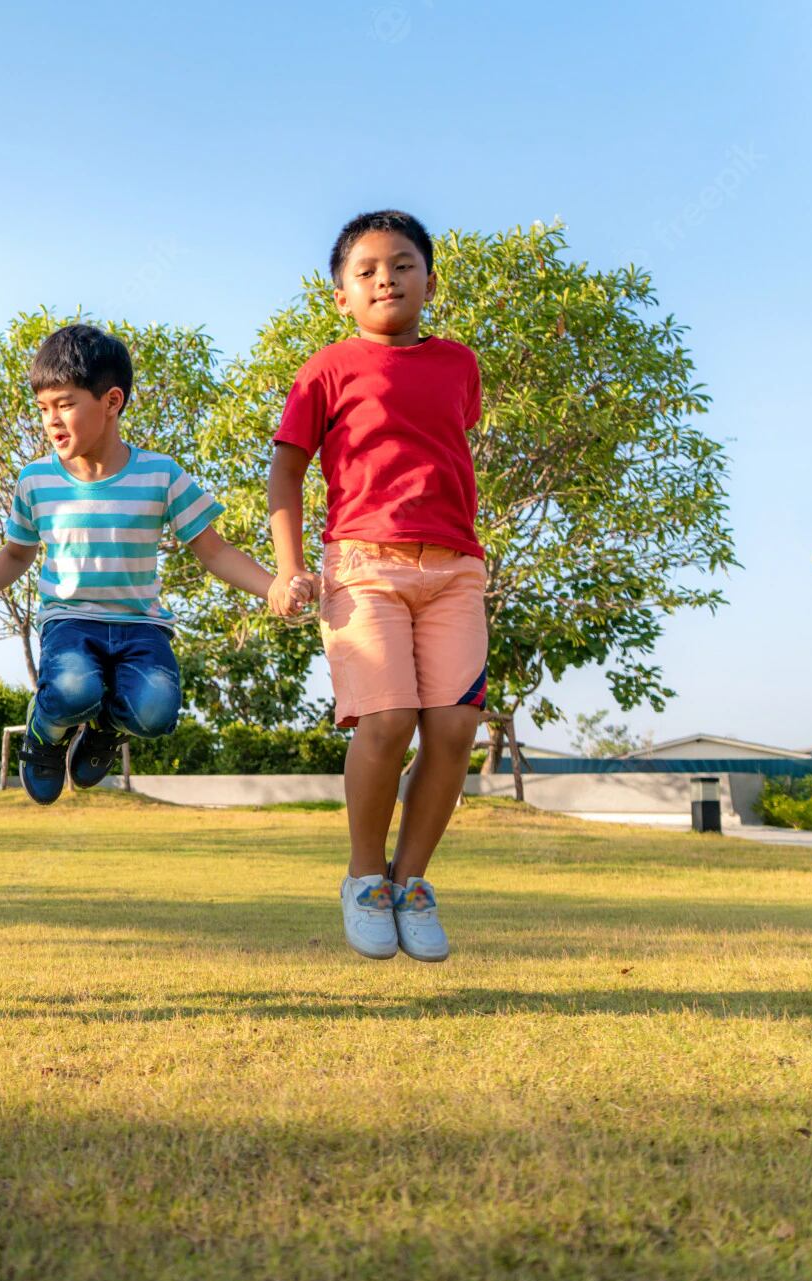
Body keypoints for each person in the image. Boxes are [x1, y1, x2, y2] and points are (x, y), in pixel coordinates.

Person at [0, 323, 307, 803]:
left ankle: (106, 731)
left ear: (112, 401)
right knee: (73, 689)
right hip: (70, 620)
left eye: (65, 404)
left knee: (155, 713)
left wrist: (275, 585)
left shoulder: (160, 474)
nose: (51, 421)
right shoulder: (36, 481)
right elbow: (16, 553)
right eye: (43, 409)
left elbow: (214, 550)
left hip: (140, 626)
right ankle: (45, 732)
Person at [267, 210, 487, 963]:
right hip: (362, 566)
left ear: (428, 277)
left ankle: (411, 882)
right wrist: (288, 565)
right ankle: (364, 877)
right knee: (387, 723)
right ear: (341, 296)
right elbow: (287, 471)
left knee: (455, 729)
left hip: (455, 567)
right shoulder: (327, 368)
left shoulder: (461, 365)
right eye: (365, 271)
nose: (384, 278)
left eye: (401, 263)